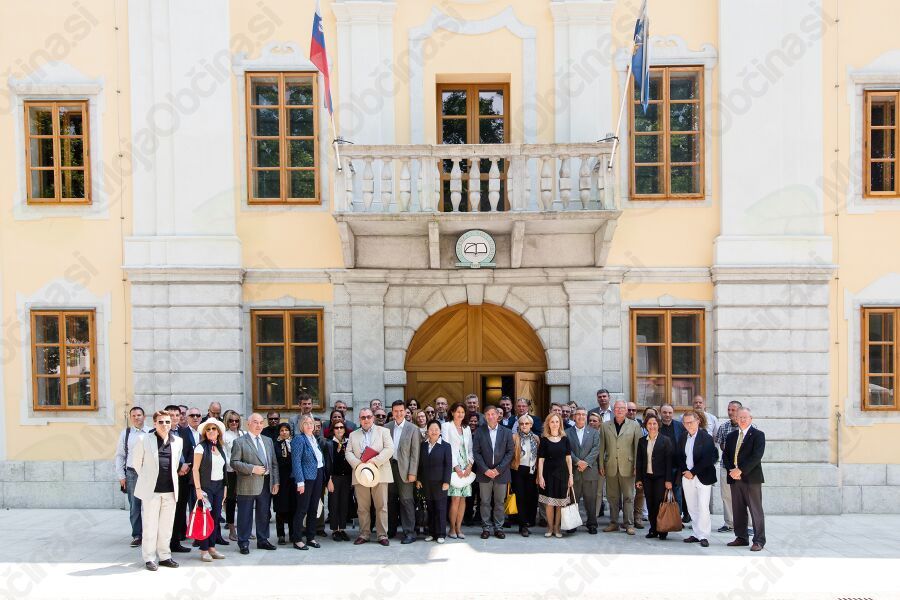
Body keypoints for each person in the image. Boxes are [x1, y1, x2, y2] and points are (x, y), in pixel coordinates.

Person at [133, 410, 183, 571]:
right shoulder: (144, 439)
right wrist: (148, 479)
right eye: (161, 422)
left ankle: (165, 556)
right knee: (150, 526)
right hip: (151, 491)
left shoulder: (178, 441)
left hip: (170, 491)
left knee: (166, 526)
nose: (164, 425)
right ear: (155, 423)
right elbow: (137, 463)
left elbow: (176, 464)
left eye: (167, 421)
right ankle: (149, 558)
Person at [230, 413, 280, 554]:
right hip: (247, 483)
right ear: (248, 424)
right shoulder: (239, 442)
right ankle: (243, 542)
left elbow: (274, 463)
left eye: (261, 422)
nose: (259, 425)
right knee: (245, 515)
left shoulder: (268, 441)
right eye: (255, 422)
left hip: (266, 483)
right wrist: (252, 469)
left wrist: (276, 482)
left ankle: (263, 540)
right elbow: (234, 462)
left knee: (264, 514)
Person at [346, 408, 394, 546]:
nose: (366, 419)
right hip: (360, 473)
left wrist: (374, 461)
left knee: (381, 506)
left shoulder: (384, 431)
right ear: (359, 420)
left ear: (373, 418)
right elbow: (348, 452)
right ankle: (364, 534)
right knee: (362, 507)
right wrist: (358, 464)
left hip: (380, 472)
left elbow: (389, 449)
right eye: (363, 417)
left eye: (368, 417)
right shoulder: (353, 435)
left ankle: (382, 535)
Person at [724, 407, 766, 551]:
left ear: (751, 419)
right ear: (736, 419)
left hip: (751, 478)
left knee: (755, 510)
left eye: (745, 417)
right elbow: (726, 455)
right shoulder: (731, 436)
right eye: (740, 417)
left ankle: (759, 541)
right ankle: (741, 537)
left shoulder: (758, 435)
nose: (742, 420)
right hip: (734, 478)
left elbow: (757, 456)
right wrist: (732, 471)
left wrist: (740, 470)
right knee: (738, 509)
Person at [472, 405, 514, 540]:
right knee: (484, 502)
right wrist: (485, 470)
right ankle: (486, 528)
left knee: (499, 502)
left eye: (493, 414)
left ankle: (498, 528)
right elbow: (476, 453)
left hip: (501, 473)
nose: (490, 416)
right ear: (485, 417)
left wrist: (498, 470)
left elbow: (510, 452)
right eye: (488, 414)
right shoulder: (479, 432)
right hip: (484, 473)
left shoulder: (507, 432)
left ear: (498, 416)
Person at [600, 401, 641, 535]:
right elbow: (602, 447)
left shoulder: (634, 425)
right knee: (612, 497)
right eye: (617, 408)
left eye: (622, 408)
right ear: (614, 410)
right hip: (610, 466)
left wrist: (637, 466)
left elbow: (638, 448)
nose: (619, 410)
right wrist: (601, 464)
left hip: (628, 466)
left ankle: (629, 524)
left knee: (628, 497)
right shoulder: (605, 426)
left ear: (626, 410)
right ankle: (613, 523)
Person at [678, 410, 718, 548]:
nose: (688, 425)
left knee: (703, 506)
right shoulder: (683, 437)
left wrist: (693, 472)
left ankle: (704, 535)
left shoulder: (706, 437)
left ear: (698, 421)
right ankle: (696, 533)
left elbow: (707, 459)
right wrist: (685, 471)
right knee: (692, 506)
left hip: (702, 476)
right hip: (687, 477)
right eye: (686, 423)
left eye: (691, 422)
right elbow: (679, 456)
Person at [191, 418, 228, 562]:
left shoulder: (220, 448)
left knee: (215, 518)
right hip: (206, 486)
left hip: (219, 486)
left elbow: (224, 470)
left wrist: (225, 488)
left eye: (214, 429)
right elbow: (195, 469)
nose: (211, 431)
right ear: (205, 433)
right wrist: (198, 489)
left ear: (218, 432)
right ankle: (204, 549)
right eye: (208, 429)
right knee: (205, 518)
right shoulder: (200, 447)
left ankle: (212, 548)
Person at [291, 415, 330, 550]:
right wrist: (300, 482)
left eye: (311, 423)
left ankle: (310, 537)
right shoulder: (299, 439)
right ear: (301, 426)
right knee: (302, 509)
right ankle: (297, 539)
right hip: (306, 479)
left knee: (313, 508)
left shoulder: (314, 439)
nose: (309, 425)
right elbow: (296, 462)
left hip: (318, 475)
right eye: (306, 423)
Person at [387, 400, 421, 544]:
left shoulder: (413, 428)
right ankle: (391, 530)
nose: (399, 413)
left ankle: (409, 532)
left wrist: (413, 472)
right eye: (396, 411)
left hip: (406, 471)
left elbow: (415, 453)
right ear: (392, 412)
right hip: (389, 469)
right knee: (390, 500)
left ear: (406, 412)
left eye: (401, 411)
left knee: (407, 501)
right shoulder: (386, 427)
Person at [636, 415, 674, 540]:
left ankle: (662, 529)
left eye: (654, 423)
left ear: (658, 425)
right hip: (647, 477)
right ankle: (653, 529)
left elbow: (669, 461)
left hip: (661, 478)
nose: (652, 426)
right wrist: (639, 479)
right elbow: (639, 461)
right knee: (650, 503)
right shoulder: (642, 441)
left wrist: (668, 480)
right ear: (646, 426)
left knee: (659, 503)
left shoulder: (665, 440)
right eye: (649, 424)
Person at [537, 413, 573, 538]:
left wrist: (571, 476)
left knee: (560, 503)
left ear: (560, 423)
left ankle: (557, 528)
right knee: (549, 503)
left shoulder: (565, 439)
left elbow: (568, 459)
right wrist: (540, 476)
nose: (555, 424)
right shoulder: (544, 440)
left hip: (563, 474)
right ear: (548, 424)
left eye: (557, 421)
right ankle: (550, 527)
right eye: (552, 421)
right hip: (548, 474)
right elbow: (541, 460)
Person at [115, 406, 147, 548]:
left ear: (144, 417)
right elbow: (120, 455)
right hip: (132, 473)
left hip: (148, 473)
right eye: (133, 415)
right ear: (130, 417)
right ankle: (137, 535)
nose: (136, 417)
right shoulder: (126, 433)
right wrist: (121, 476)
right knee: (135, 505)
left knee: (150, 505)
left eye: (139, 415)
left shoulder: (151, 432)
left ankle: (150, 534)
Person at [566, 407, 601, 534]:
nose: (581, 416)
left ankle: (592, 524)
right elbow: (567, 450)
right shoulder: (567, 432)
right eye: (578, 414)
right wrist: (577, 461)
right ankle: (572, 524)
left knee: (591, 500)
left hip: (589, 471)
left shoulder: (594, 432)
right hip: (574, 471)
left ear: (586, 417)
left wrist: (585, 462)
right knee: (573, 499)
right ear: (574, 417)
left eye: (583, 414)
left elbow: (596, 449)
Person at [441, 402, 474, 539]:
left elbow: (470, 449)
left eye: (463, 412)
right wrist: (456, 467)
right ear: (452, 412)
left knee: (463, 499)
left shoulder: (467, 428)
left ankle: (459, 528)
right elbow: (446, 447)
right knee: (455, 498)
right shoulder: (446, 426)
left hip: (466, 468)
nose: (460, 414)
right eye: (458, 411)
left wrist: (470, 465)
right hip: (453, 466)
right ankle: (452, 529)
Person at [417, 420, 452, 543]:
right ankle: (431, 533)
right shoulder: (423, 445)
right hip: (426, 482)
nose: (434, 432)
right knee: (430, 508)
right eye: (431, 429)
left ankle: (441, 534)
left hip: (440, 483)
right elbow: (420, 464)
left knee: (440, 508)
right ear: (427, 431)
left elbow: (448, 465)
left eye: (436, 429)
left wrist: (446, 481)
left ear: (440, 431)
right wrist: (418, 479)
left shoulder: (446, 446)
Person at [164, 405, 192, 554]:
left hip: (183, 477)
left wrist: (186, 466)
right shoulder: (160, 433)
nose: (175, 417)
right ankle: (164, 543)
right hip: (168, 478)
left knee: (180, 510)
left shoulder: (184, 431)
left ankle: (175, 542)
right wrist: (179, 466)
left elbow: (191, 451)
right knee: (167, 512)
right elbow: (164, 456)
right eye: (171, 415)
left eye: (177, 415)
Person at [715, 400, 742, 533]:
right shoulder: (723, 427)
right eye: (729, 410)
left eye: (733, 410)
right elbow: (720, 444)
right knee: (726, 495)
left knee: (744, 496)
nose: (730, 412)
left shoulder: (749, 427)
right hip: (725, 466)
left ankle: (747, 524)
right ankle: (729, 523)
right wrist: (729, 449)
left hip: (743, 468)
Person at [511, 414, 540, 536]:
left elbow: (538, 456)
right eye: (521, 424)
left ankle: (528, 521)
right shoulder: (514, 437)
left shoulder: (536, 438)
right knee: (520, 497)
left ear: (531, 425)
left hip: (532, 470)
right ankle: (522, 525)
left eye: (526, 423)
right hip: (518, 470)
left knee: (530, 497)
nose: (524, 426)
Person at [659, 404, 687, 517]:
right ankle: (661, 519)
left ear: (673, 413)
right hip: (660, 467)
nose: (667, 415)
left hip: (676, 466)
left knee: (677, 494)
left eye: (670, 412)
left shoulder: (680, 426)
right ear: (660, 413)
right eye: (665, 412)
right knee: (661, 494)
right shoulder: (656, 425)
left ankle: (676, 519)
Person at [327, 420, 352, 541]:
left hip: (347, 477)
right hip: (334, 478)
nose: (339, 429)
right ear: (333, 430)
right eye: (336, 428)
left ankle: (342, 529)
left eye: (341, 427)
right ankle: (334, 530)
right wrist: (329, 479)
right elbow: (327, 463)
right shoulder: (329, 444)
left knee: (344, 503)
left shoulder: (349, 443)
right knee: (334, 503)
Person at [272, 423, 296, 545]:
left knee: (293, 507)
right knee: (280, 508)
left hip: (293, 479)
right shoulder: (275, 444)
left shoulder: (294, 443)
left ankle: (292, 533)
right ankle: (281, 534)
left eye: (286, 430)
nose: (284, 432)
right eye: (282, 430)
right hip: (280, 479)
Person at [222, 410, 243, 542]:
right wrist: (235, 467)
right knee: (231, 501)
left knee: (244, 502)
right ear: (227, 422)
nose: (234, 423)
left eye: (236, 420)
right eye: (231, 420)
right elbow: (225, 455)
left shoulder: (244, 434)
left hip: (244, 472)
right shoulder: (224, 436)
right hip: (231, 472)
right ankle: (232, 530)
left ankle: (244, 529)